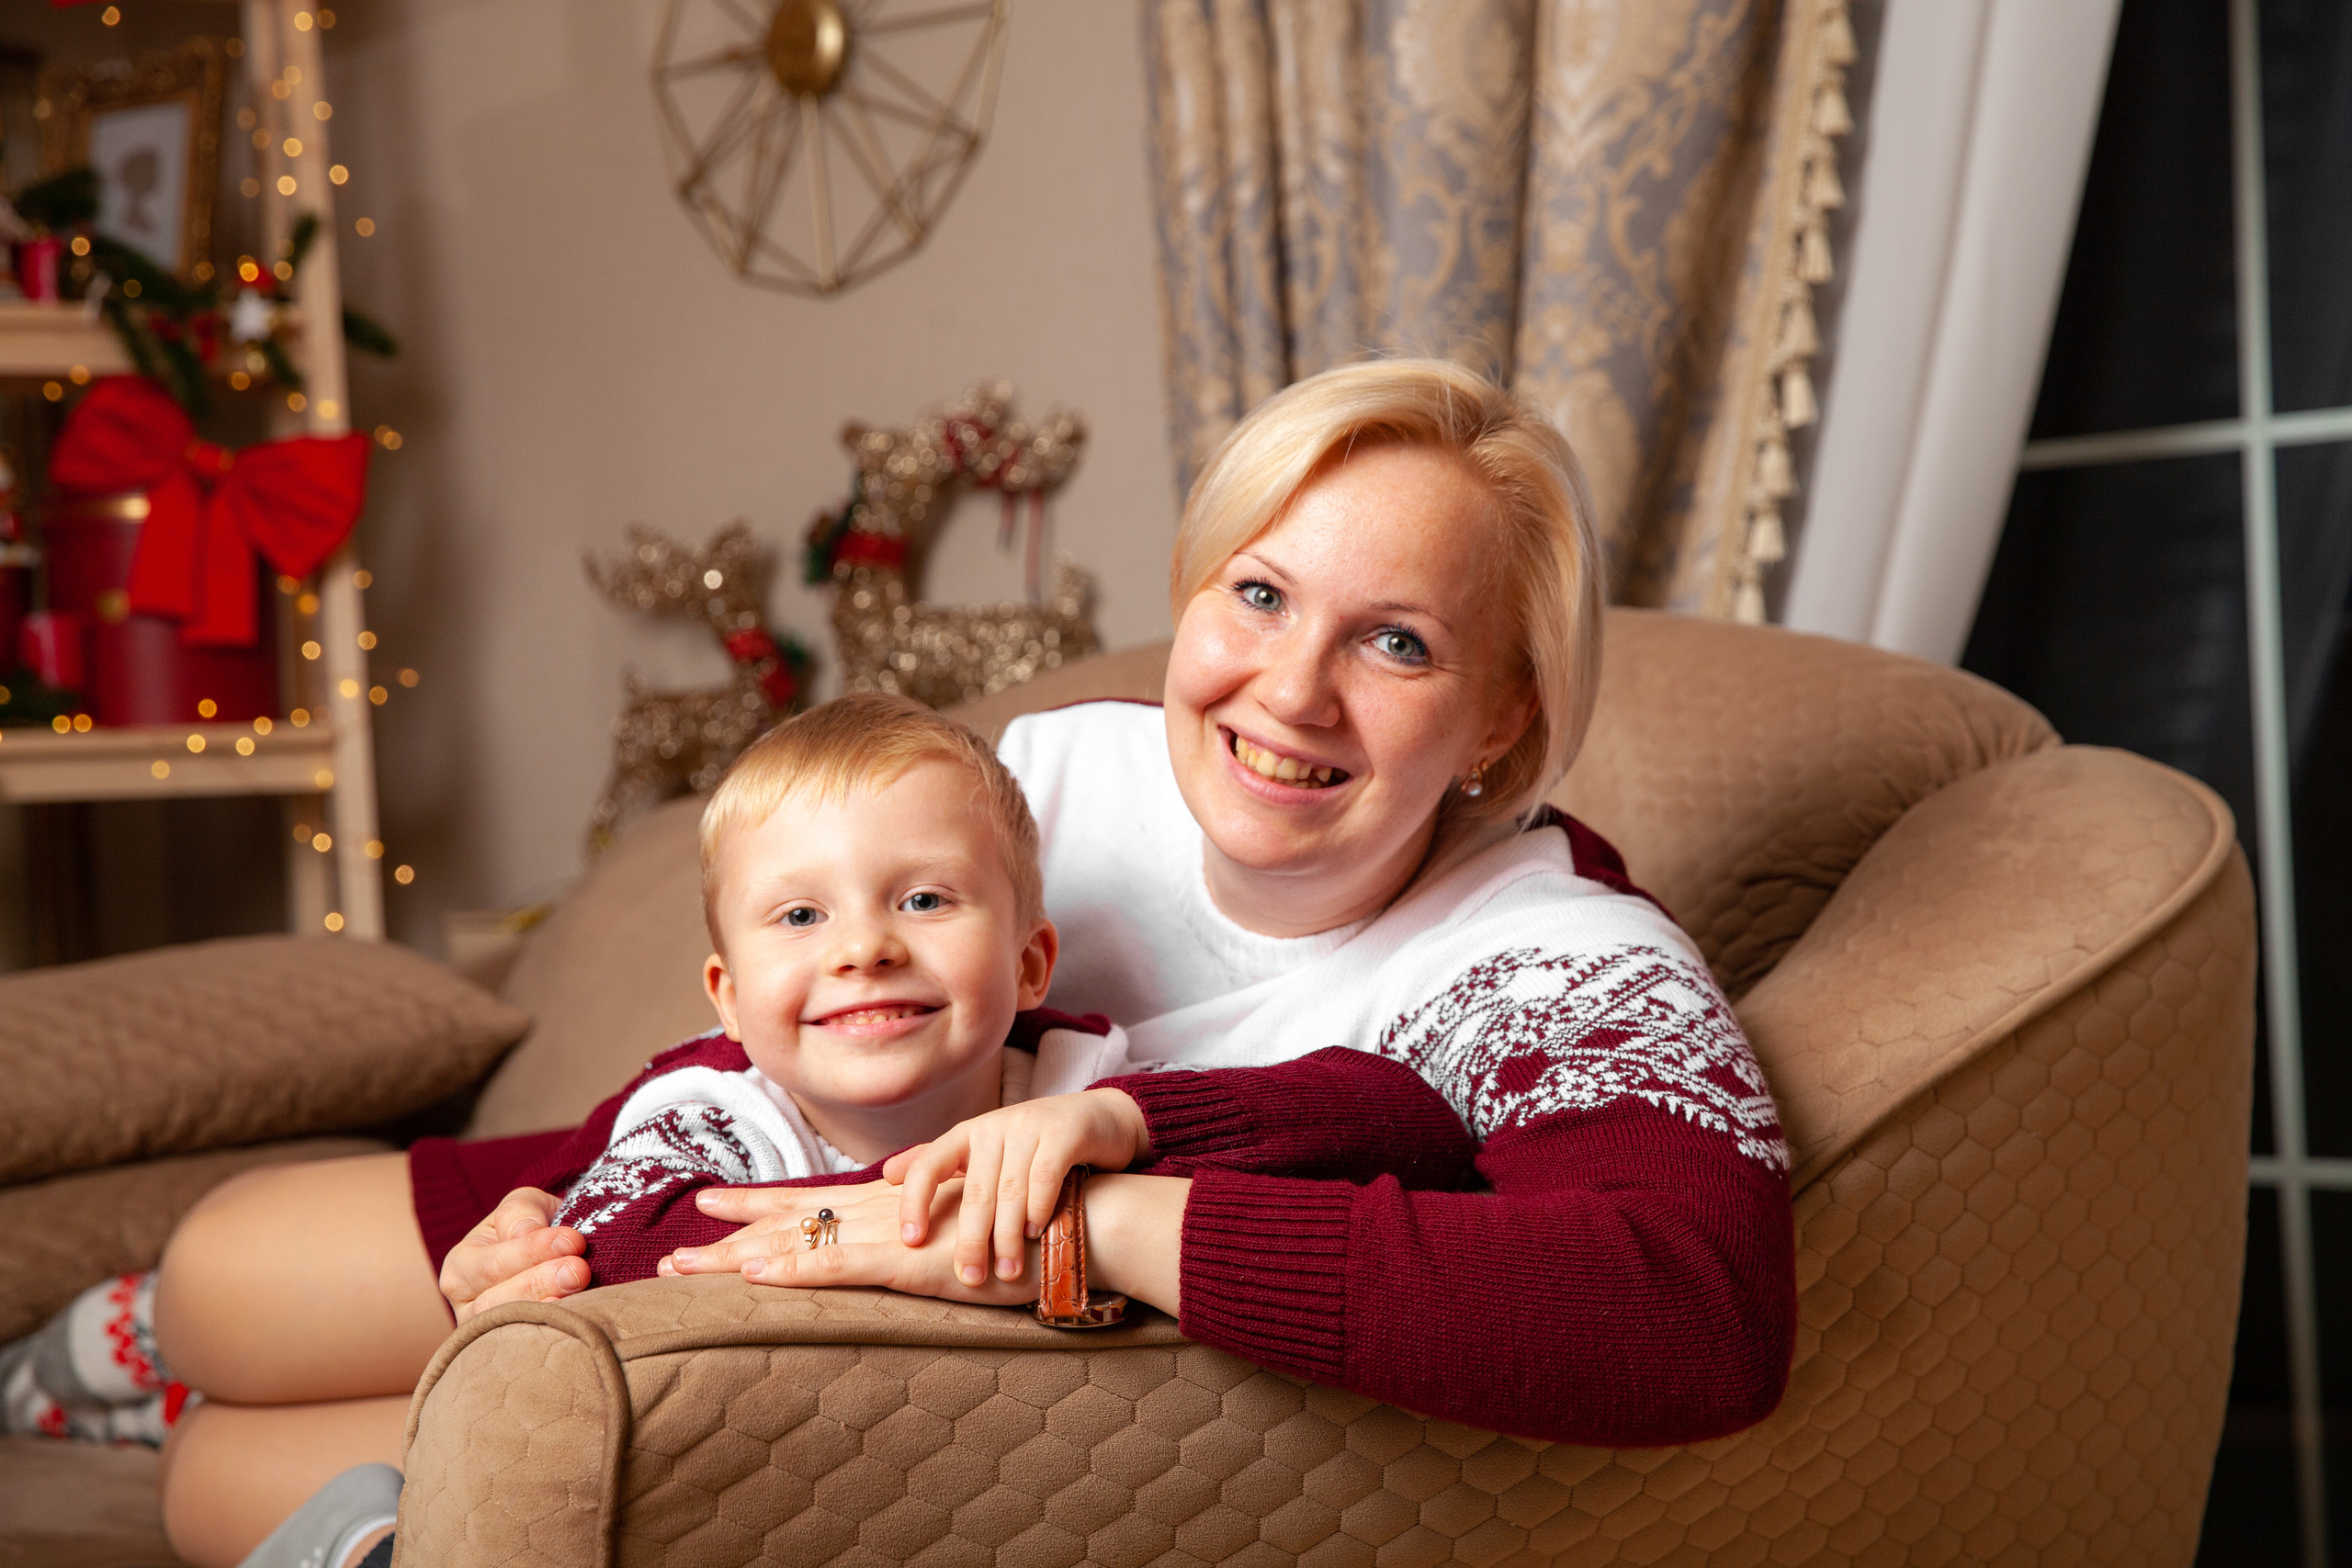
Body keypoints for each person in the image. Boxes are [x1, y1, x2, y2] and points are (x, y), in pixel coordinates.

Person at [98, 357, 1795, 1565]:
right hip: (724, 1180)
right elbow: (790, 1015)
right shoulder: (1064, 773)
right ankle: (111, 1350)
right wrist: (552, 1248)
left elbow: (1691, 1315)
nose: (1290, 692)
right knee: (219, 1281)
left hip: (813, 1290)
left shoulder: (1559, 961)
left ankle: (204, 1416)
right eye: (1261, 597)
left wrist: (1091, 1226)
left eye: (1399, 642)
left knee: (216, 1478)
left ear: (1506, 716)